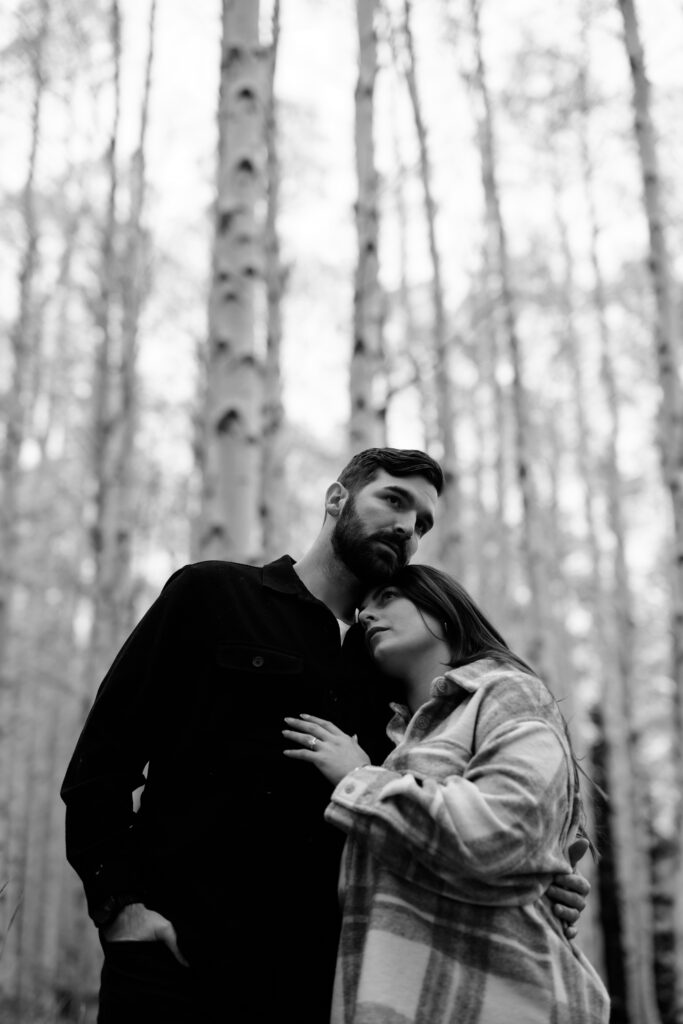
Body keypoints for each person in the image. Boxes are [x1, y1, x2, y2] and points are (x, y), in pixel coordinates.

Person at [61, 448, 589, 1024]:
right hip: (176, 972)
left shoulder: (397, 675)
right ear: (337, 499)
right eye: (394, 500)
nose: (408, 528)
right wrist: (118, 906)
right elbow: (102, 762)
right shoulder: (211, 595)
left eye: (423, 524)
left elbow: (449, 811)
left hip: (324, 987)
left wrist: (538, 882)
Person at [283, 564, 609, 1023]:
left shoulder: (504, 692)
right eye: (362, 610)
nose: (368, 615)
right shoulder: (395, 741)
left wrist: (358, 777)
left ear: (445, 612)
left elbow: (502, 834)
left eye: (389, 596)